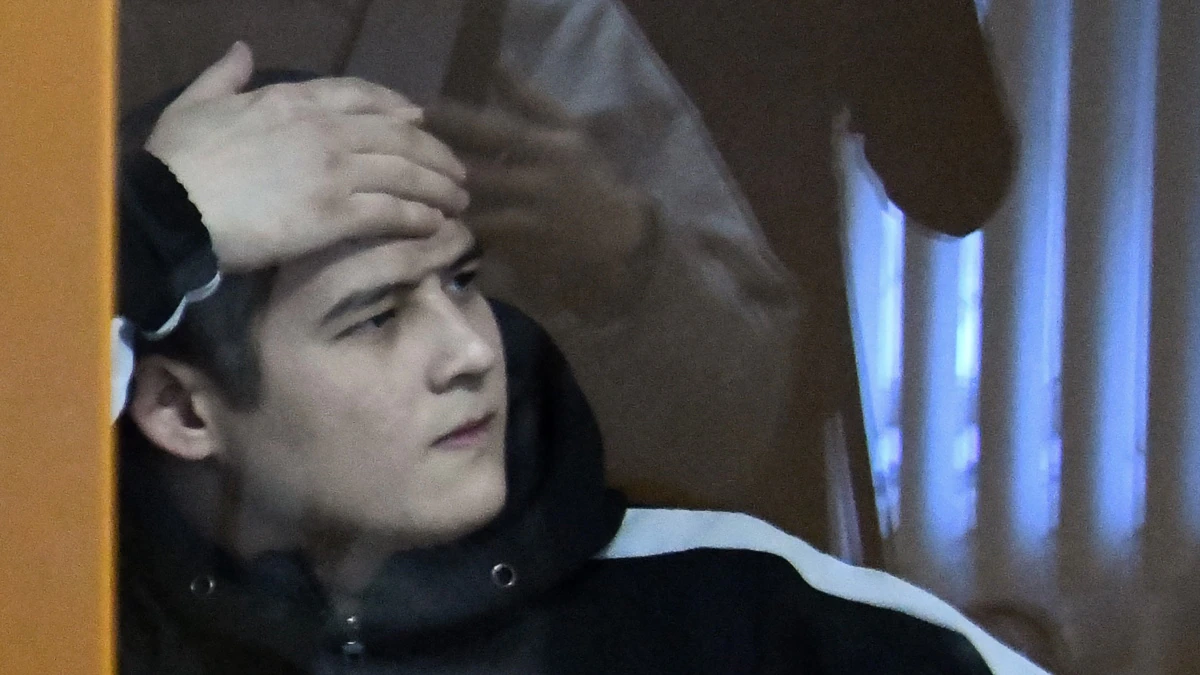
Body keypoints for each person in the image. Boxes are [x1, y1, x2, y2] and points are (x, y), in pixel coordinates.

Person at [114, 51, 1044, 674]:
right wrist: (149, 228)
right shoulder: (77, 627)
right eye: (376, 318)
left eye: (463, 282)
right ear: (184, 411)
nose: (472, 352)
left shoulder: (733, 610)